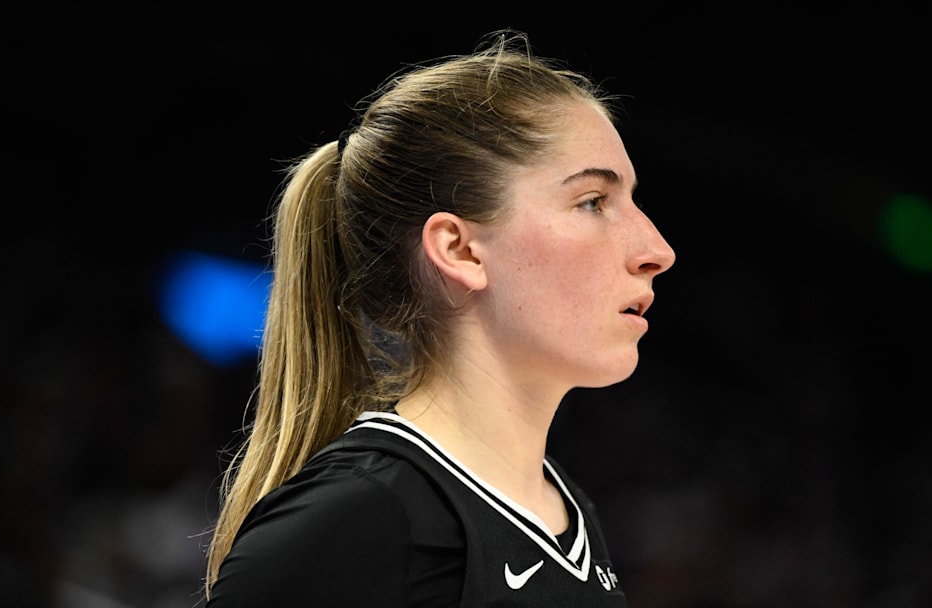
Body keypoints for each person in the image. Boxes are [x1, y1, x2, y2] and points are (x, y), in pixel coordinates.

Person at [203, 29, 675, 607]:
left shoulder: (568, 511)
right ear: (460, 250)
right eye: (593, 202)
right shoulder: (361, 518)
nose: (656, 248)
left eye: (631, 200)